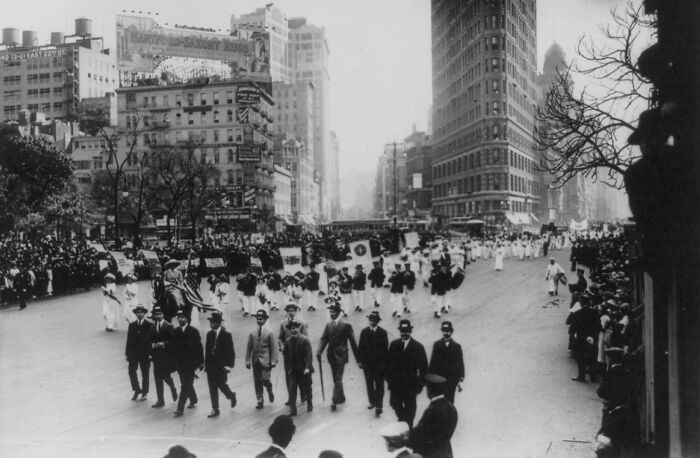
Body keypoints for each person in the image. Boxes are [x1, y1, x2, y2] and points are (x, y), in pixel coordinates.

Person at [316, 302, 359, 411]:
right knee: (336, 377)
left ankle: (334, 400)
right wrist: (319, 351)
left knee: (338, 377)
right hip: (331, 355)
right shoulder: (328, 325)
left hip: (341, 355)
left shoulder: (346, 325)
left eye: (333, 312)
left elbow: (353, 342)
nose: (331, 314)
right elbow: (324, 338)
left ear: (339, 313)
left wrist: (359, 359)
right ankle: (341, 397)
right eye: (330, 312)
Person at [405, 374, 459, 458]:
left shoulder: (431, 410)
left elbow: (420, 434)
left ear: (429, 390)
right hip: (446, 453)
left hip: (429, 454)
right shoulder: (452, 408)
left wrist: (404, 440)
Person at [387, 319, 428, 428]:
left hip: (411, 387)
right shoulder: (394, 345)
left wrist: (420, 384)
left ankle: (407, 432)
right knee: (397, 409)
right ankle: (403, 425)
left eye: (406, 331)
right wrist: (390, 380)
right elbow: (388, 365)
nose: (404, 333)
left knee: (410, 413)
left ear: (410, 331)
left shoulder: (418, 347)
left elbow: (424, 368)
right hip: (396, 386)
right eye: (402, 331)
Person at [203, 312, 237, 418]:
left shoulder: (226, 335)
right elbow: (207, 351)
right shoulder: (209, 334)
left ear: (218, 323)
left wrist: (229, 365)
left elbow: (231, 351)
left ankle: (231, 395)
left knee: (221, 385)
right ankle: (215, 409)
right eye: (210, 322)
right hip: (210, 366)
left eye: (212, 322)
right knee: (212, 387)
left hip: (221, 366)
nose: (210, 324)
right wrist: (205, 364)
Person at [172, 309, 204, 417]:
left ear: (187, 319)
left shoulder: (193, 331)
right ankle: (193, 399)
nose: (180, 319)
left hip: (191, 363)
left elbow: (199, 348)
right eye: (179, 317)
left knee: (185, 386)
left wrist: (201, 362)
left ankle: (180, 409)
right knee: (186, 384)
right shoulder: (176, 332)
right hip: (181, 364)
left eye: (183, 317)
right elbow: (174, 349)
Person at [357, 310, 389, 417]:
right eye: (370, 320)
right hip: (368, 365)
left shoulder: (383, 333)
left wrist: (385, 365)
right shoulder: (364, 332)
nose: (371, 322)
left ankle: (379, 406)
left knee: (379, 385)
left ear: (377, 321)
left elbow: (385, 350)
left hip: (379, 365)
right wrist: (360, 361)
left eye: (373, 320)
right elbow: (360, 348)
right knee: (369, 384)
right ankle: (372, 401)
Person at [246, 309, 279, 409]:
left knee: (265, 379)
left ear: (265, 319)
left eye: (261, 319)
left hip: (266, 360)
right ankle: (260, 399)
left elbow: (274, 348)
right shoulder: (252, 333)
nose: (259, 321)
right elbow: (249, 347)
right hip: (256, 360)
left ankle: (269, 389)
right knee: (257, 380)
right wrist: (247, 360)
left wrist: (273, 360)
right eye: (257, 319)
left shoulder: (270, 332)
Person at [278, 303, 309, 405]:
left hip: (300, 355)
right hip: (288, 354)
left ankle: (303, 393)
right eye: (289, 311)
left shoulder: (302, 323)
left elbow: (306, 339)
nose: (290, 312)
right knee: (289, 375)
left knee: (300, 374)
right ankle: (291, 397)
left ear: (296, 311)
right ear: (286, 312)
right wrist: (281, 345)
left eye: (292, 310)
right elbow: (280, 337)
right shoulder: (283, 324)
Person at [567, 294, 602, 382]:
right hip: (592, 338)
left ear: (581, 303)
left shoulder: (578, 313)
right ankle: (593, 377)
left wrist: (573, 337)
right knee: (592, 357)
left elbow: (570, 325)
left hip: (581, 339)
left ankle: (581, 376)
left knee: (581, 358)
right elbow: (599, 326)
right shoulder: (595, 312)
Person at [428, 321, 465, 404]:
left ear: (451, 332)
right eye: (444, 331)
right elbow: (433, 362)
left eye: (448, 331)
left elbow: (460, 363)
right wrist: (429, 380)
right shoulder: (437, 345)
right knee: (438, 403)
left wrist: (460, 380)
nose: (446, 333)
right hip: (438, 380)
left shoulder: (457, 346)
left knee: (449, 402)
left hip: (451, 382)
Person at [282, 320, 314, 415]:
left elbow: (309, 355)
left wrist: (308, 367)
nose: (294, 330)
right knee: (292, 390)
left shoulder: (304, 340)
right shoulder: (287, 341)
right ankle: (293, 410)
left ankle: (310, 404)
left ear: (299, 328)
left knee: (307, 388)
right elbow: (286, 356)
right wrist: (288, 368)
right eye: (292, 328)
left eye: (295, 328)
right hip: (293, 370)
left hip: (304, 370)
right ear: (290, 329)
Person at [149, 305, 178, 408]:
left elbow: (174, 341)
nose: (158, 316)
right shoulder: (152, 327)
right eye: (156, 314)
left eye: (159, 314)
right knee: (157, 379)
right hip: (156, 357)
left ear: (163, 314)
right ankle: (160, 400)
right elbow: (150, 340)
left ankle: (172, 388)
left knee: (166, 377)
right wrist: (152, 345)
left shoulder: (169, 326)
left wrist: (164, 344)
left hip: (166, 357)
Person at [125, 305, 152, 401]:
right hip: (134, 354)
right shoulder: (132, 325)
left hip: (145, 354)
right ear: (135, 313)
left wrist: (150, 354)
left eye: (141, 312)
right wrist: (127, 354)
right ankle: (137, 389)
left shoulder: (149, 325)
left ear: (144, 313)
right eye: (138, 312)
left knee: (145, 374)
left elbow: (151, 341)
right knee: (131, 371)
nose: (139, 314)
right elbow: (129, 340)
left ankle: (144, 393)